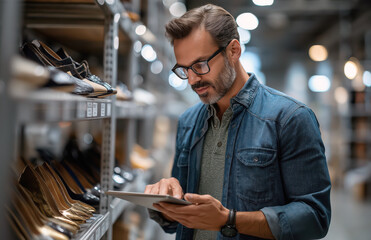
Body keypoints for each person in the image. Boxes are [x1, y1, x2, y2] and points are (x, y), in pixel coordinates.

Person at [145, 4, 331, 240]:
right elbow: (180, 220)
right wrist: (166, 202)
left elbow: (315, 217)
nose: (192, 79)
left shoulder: (291, 118)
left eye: (200, 65)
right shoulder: (188, 122)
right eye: (184, 69)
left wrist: (229, 219)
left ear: (233, 51)